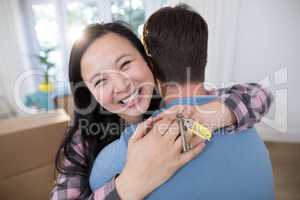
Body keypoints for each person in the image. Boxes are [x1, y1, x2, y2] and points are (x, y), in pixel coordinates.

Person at [50, 14, 273, 200]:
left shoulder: (179, 105)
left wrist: (211, 115)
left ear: (149, 63)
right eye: (100, 81)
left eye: (126, 64)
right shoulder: (83, 140)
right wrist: (129, 185)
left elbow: (259, 94)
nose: (121, 85)